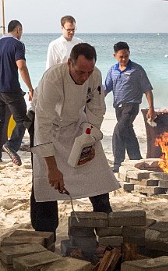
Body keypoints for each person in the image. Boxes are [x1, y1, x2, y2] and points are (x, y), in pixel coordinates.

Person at [30, 43, 120, 238]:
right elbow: (42, 124)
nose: (84, 77)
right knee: (45, 183)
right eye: (80, 72)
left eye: (88, 72)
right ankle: (45, 236)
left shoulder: (94, 74)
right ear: (69, 63)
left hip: (77, 125)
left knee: (98, 176)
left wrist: (89, 140)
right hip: (47, 127)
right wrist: (53, 168)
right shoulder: (53, 78)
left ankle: (108, 230)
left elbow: (97, 110)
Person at [0, 20, 34, 166]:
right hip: (11, 88)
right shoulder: (17, 44)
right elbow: (21, 66)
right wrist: (30, 88)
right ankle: (11, 145)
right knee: (23, 119)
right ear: (18, 30)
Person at [104, 41, 156, 173]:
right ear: (115, 55)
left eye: (126, 56)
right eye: (121, 56)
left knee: (118, 131)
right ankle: (136, 158)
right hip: (118, 107)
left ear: (129, 54)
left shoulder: (137, 70)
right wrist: (95, 101)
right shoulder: (112, 70)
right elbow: (106, 88)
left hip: (131, 106)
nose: (124, 59)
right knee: (128, 132)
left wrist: (151, 108)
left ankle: (117, 164)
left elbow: (147, 90)